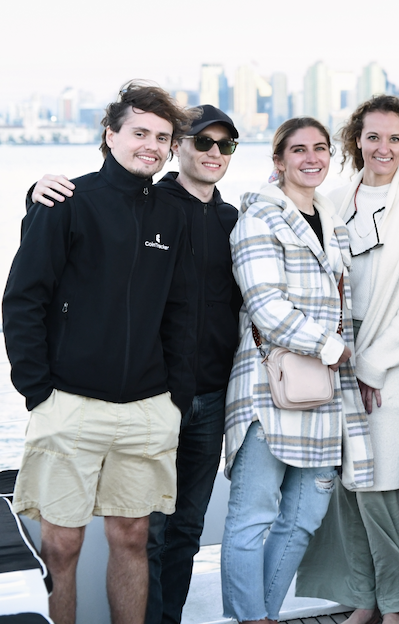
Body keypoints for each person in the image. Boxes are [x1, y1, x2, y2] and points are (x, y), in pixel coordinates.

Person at [29, 104, 244, 624]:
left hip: (193, 398)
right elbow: (31, 291)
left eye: (225, 144)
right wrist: (34, 191)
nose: (213, 151)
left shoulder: (226, 219)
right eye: (202, 141)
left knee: (174, 530)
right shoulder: (136, 202)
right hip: (117, 397)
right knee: (103, 538)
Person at [4, 82, 197, 624]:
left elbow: (180, 313)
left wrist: (174, 398)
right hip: (68, 403)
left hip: (147, 407)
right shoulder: (67, 201)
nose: (151, 146)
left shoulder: (173, 215)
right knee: (61, 545)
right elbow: (23, 299)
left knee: (132, 537)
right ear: (110, 135)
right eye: (140, 133)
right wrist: (38, 391)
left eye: (162, 137)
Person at [294, 96, 399, 624]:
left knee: (383, 483)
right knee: (345, 485)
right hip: (332, 357)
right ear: (357, 140)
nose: (384, 147)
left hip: (390, 359)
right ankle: (363, 598)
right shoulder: (332, 200)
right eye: (374, 136)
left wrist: (373, 365)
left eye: (395, 138)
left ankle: (397, 606)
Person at [221, 117, 374, 624]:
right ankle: (252, 618)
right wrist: (332, 348)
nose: (312, 158)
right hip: (269, 386)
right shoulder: (258, 219)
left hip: (325, 391)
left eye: (320, 148)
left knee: (305, 516)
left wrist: (352, 365)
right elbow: (266, 306)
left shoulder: (333, 223)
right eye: (299, 150)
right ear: (279, 160)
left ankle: (261, 614)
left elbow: (344, 310)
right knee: (252, 517)